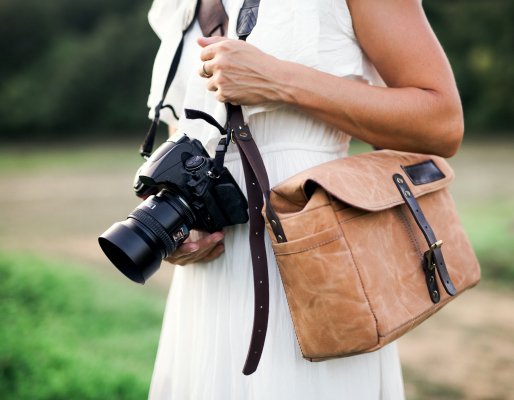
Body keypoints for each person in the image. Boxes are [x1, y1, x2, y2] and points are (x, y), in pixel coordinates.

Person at [146, 0, 463, 399]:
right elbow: (188, 129)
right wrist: (179, 225)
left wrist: (281, 81)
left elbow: (443, 122)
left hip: (316, 261)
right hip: (208, 278)